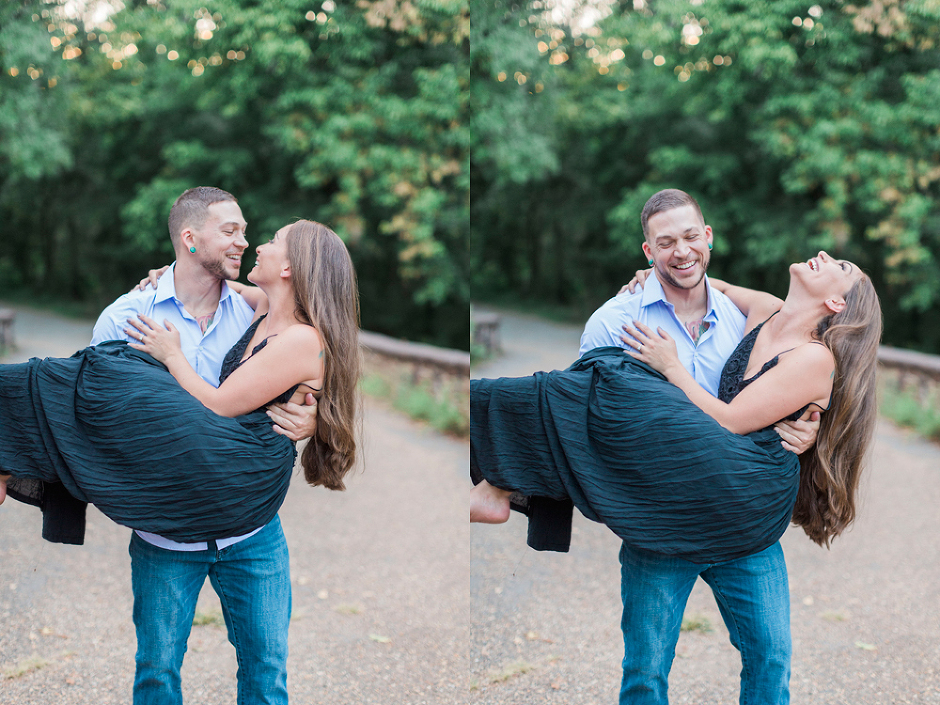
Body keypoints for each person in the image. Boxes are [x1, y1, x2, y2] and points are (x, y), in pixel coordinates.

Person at [470, 189, 882, 704]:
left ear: (708, 238)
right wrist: (649, 285)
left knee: (770, 659)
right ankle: (498, 474)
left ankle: (493, 464)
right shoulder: (752, 310)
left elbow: (734, 419)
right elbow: (591, 426)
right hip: (663, 514)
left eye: (691, 238)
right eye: (665, 244)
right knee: (644, 667)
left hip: (741, 511)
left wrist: (671, 367)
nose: (682, 251)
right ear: (648, 251)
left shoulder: (803, 351)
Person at [0, 188, 360, 705]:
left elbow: (326, 353)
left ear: (293, 268)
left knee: (265, 672)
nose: (248, 242)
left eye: (259, 236)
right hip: (166, 538)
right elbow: (97, 409)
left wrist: (318, 419)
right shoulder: (132, 314)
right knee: (156, 672)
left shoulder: (248, 307)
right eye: (231, 232)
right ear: (190, 240)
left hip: (251, 536)